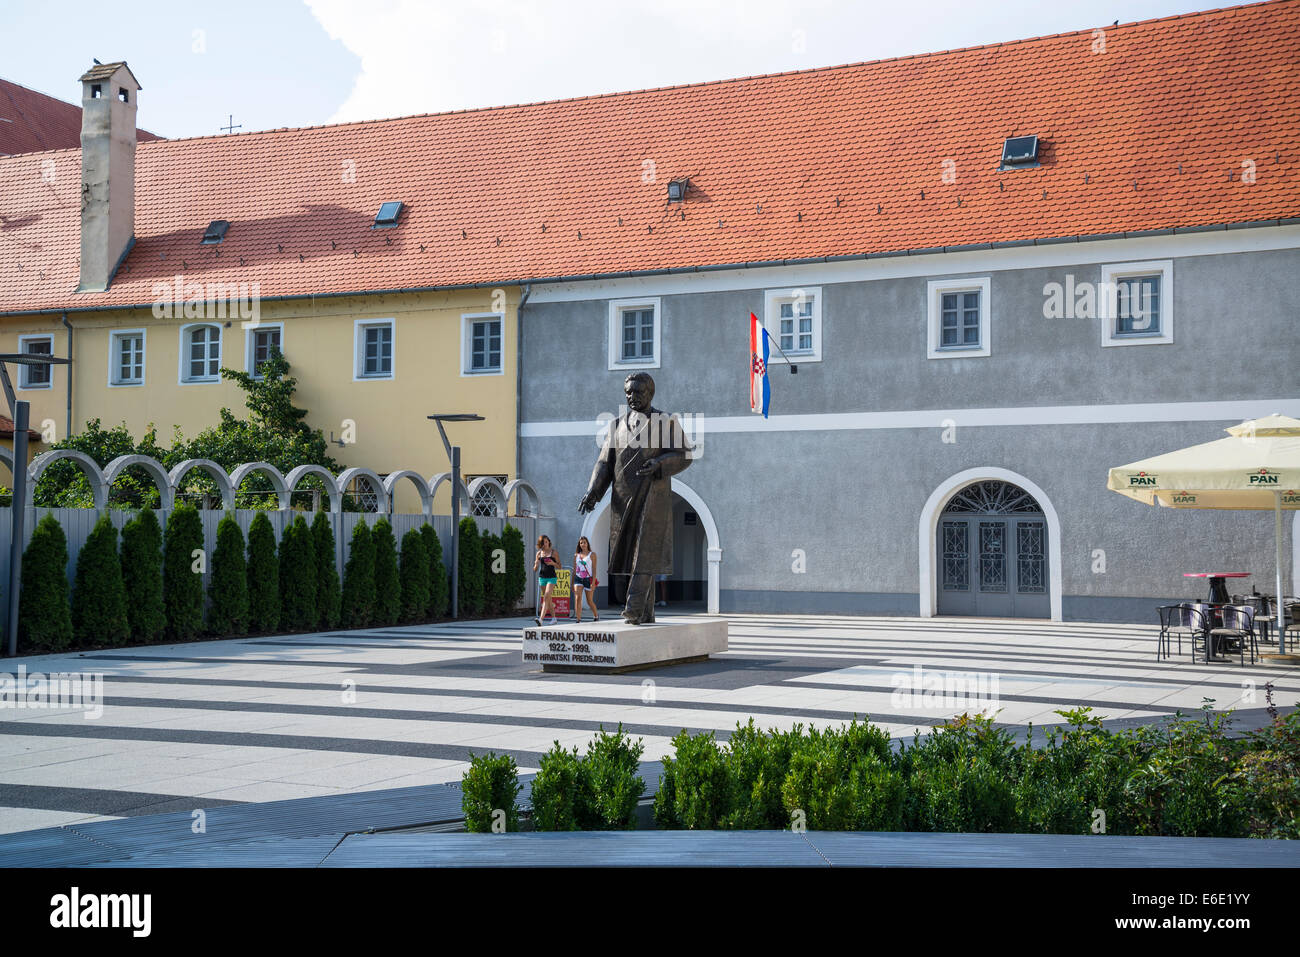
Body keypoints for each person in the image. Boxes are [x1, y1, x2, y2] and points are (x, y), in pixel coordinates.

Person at [533, 535, 560, 625]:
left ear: (549, 542)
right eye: (542, 542)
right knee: (548, 599)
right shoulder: (539, 553)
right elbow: (535, 569)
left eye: (546, 542)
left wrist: (553, 563)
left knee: (546, 596)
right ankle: (554, 618)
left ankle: (541, 619)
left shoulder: (554, 553)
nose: (545, 544)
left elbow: (560, 566)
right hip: (542, 578)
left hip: (552, 577)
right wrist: (536, 564)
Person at [572, 537, 600, 623]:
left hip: (588, 579)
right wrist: (572, 582)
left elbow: (594, 569)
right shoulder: (576, 555)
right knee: (577, 598)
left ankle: (596, 615)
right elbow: (574, 569)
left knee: (589, 601)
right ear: (579, 545)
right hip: (578, 578)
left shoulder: (592, 554)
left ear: (587, 543)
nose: (583, 544)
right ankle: (578, 619)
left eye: (584, 542)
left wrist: (593, 582)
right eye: (581, 543)